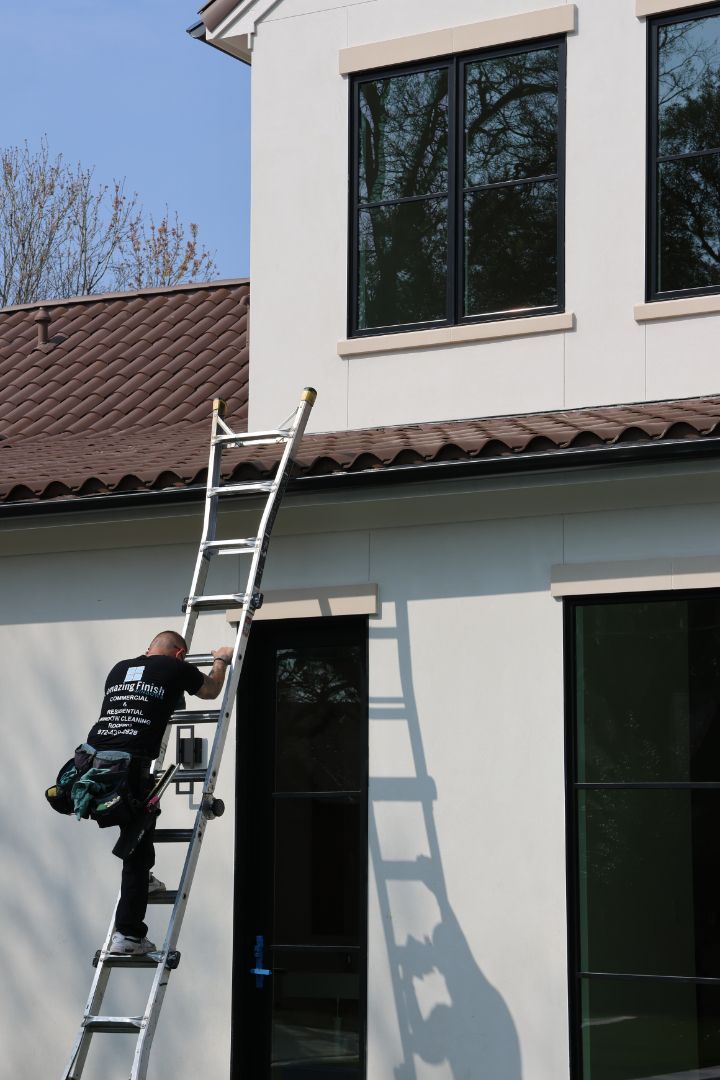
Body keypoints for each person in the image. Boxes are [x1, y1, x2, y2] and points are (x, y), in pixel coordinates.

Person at [85, 629, 233, 955]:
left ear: (149, 648)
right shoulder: (174, 669)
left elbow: (149, 700)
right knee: (135, 855)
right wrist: (220, 660)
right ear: (180, 655)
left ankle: (145, 883)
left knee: (142, 831)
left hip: (95, 766)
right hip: (131, 771)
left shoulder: (120, 669)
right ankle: (128, 935)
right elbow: (210, 691)